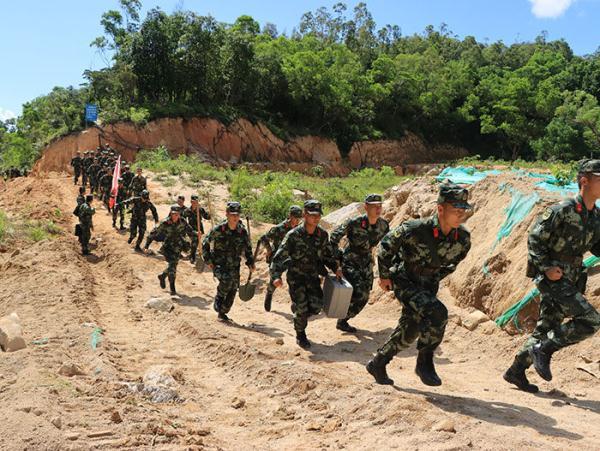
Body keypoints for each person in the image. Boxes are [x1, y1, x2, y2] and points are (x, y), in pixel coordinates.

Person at [503, 159, 600, 393]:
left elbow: (597, 246)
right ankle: (544, 349)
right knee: (591, 320)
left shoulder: (595, 215)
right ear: (584, 180)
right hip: (553, 277)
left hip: (573, 277)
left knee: (546, 327)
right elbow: (535, 238)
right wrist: (546, 268)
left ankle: (515, 371)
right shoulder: (562, 209)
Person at [366, 183, 472, 386]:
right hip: (405, 279)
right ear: (440, 209)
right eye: (455, 210)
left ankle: (378, 362)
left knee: (411, 329)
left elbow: (451, 265)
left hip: (428, 284)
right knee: (437, 312)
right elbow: (386, 247)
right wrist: (385, 276)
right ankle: (425, 362)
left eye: (463, 210)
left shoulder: (463, 239)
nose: (460, 215)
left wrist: (432, 277)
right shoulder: (414, 229)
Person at [270, 200, 342, 349]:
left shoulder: (322, 235)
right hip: (296, 276)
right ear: (304, 215)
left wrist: (336, 268)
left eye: (318, 215)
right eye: (312, 215)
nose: (315, 218)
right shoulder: (293, 235)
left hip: (313, 276)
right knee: (302, 307)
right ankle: (300, 334)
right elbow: (279, 257)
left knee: (316, 306)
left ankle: (298, 311)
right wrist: (276, 276)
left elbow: (328, 255)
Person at [330, 194, 390, 332]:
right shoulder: (354, 222)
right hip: (350, 261)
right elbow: (334, 238)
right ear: (366, 207)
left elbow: (389, 245)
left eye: (379, 206)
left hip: (367, 262)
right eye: (374, 206)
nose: (378, 208)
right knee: (361, 293)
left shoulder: (383, 225)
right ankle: (341, 315)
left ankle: (343, 320)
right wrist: (337, 261)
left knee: (364, 296)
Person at [202, 202, 255, 322]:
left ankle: (223, 313)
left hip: (234, 266)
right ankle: (219, 297)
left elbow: (248, 249)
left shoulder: (242, 232)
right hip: (219, 265)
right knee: (226, 282)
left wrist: (250, 262)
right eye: (232, 215)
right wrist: (208, 260)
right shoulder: (219, 229)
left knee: (233, 289)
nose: (235, 217)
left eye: (237, 214)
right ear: (227, 214)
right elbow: (205, 243)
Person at [258, 205, 303, 311]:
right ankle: (269, 294)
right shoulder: (279, 228)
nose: (297, 221)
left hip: (291, 258)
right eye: (295, 218)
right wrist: (268, 249)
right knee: (274, 281)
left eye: (299, 218)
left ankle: (295, 304)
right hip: (277, 258)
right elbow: (263, 238)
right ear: (290, 216)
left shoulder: (298, 229)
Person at [153, 205, 193, 295]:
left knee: (173, 265)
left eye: (177, 214)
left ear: (179, 214)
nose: (175, 216)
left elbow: (189, 230)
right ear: (171, 213)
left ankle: (163, 276)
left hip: (178, 247)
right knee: (173, 266)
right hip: (168, 248)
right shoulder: (165, 222)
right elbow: (156, 231)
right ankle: (172, 288)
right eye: (173, 214)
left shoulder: (183, 221)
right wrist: (147, 244)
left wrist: (196, 233)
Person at [182, 194, 211, 264]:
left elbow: (206, 217)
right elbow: (182, 219)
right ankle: (192, 256)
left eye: (196, 202)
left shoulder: (200, 209)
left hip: (199, 229)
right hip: (190, 229)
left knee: (196, 241)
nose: (195, 203)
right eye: (193, 202)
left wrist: (210, 214)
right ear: (191, 202)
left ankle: (194, 253)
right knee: (195, 240)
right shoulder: (187, 211)